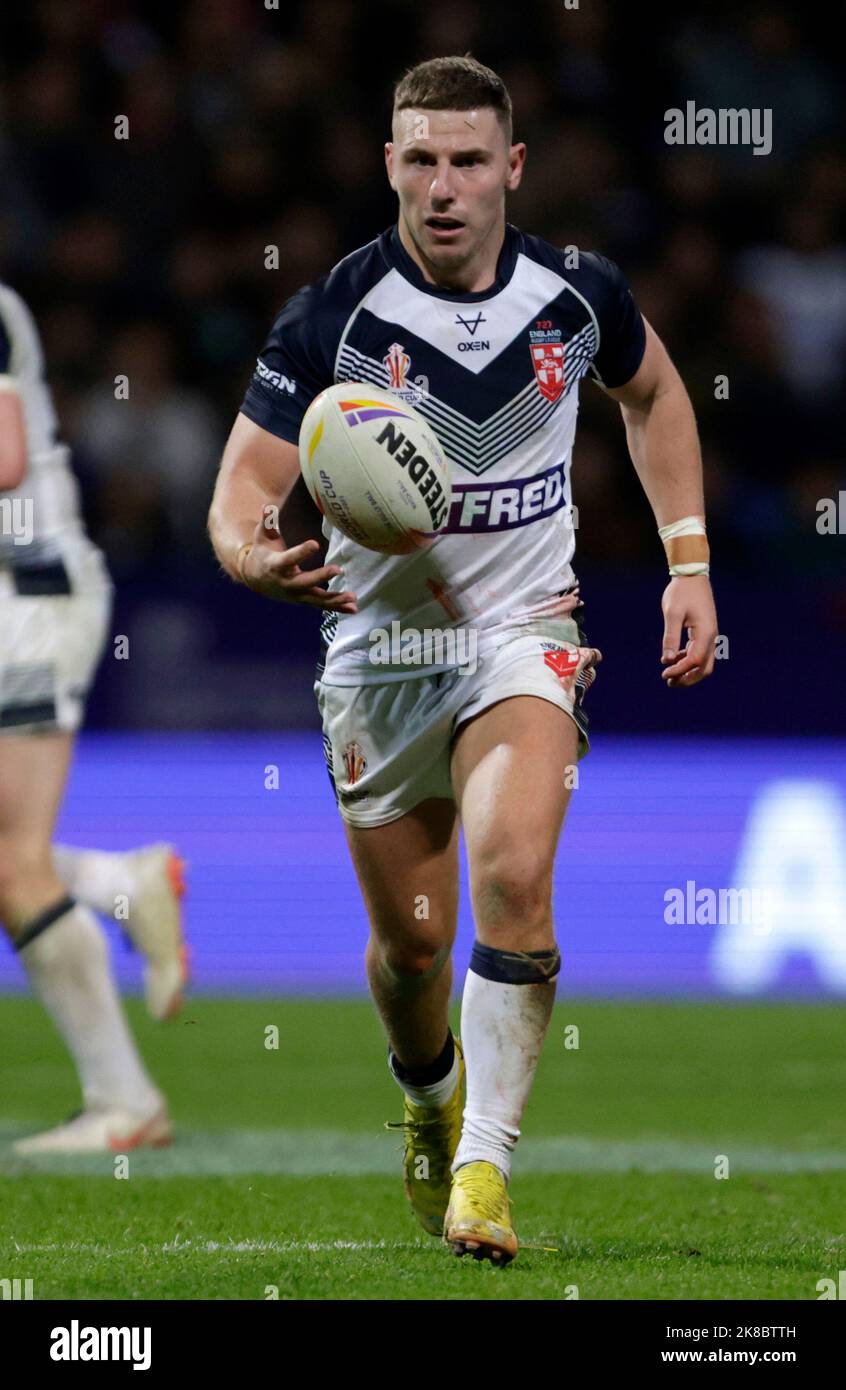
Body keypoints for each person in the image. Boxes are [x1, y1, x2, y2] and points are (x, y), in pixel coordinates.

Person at [208, 55, 718, 1264]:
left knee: (513, 871)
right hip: (378, 656)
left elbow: (656, 397)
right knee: (412, 949)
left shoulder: (576, 294)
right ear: (390, 164)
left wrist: (688, 563)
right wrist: (253, 557)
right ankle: (428, 1092)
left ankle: (484, 1164)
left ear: (513, 169)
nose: (445, 187)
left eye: (470, 161)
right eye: (422, 159)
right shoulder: (332, 313)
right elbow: (240, 489)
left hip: (521, 634)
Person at [0, 280, 187, 1155]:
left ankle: (124, 1100)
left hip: (26, 597)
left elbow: (3, 461)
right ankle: (121, 882)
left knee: (12, 865)